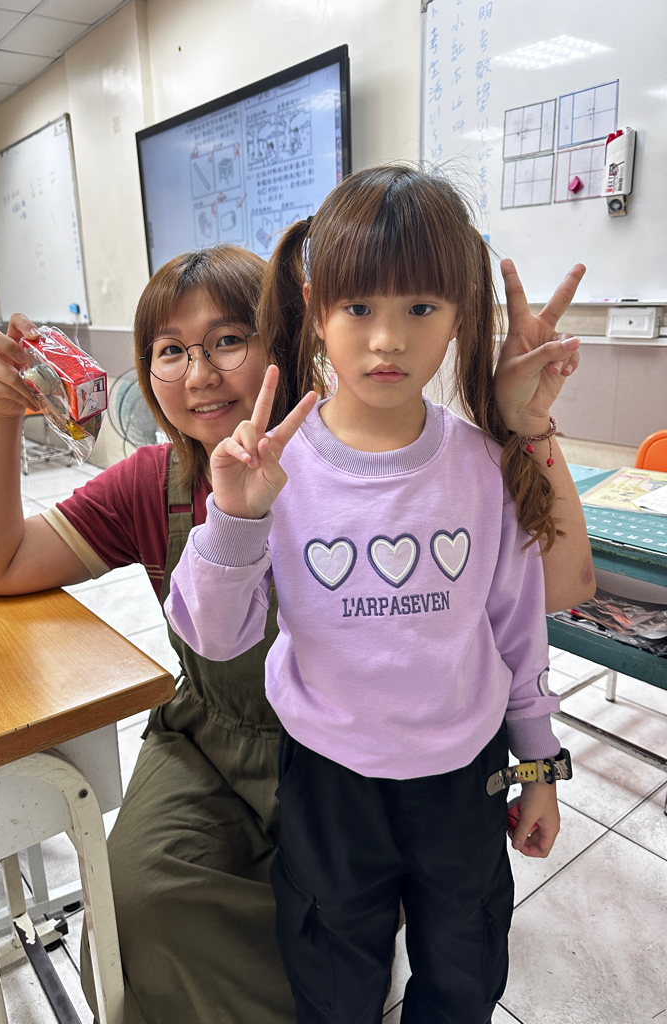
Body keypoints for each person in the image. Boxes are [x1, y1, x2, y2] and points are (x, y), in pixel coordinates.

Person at [0, 227, 593, 1024]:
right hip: (208, 743)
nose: (200, 374)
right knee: (141, 914)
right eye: (170, 351)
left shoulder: (370, 462)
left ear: (291, 332)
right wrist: (0, 414)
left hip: (348, 754)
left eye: (228, 340)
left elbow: (557, 587)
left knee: (342, 933)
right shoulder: (152, 482)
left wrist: (526, 426)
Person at [164, 165, 592, 1024]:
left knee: (465, 969)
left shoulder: (482, 464)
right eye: (359, 308)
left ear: (460, 316)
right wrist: (237, 521)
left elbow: (517, 632)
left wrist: (539, 766)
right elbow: (213, 637)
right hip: (329, 780)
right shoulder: (274, 468)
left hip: (465, 778)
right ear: (318, 310)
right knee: (333, 975)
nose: (388, 340)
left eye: (421, 307)